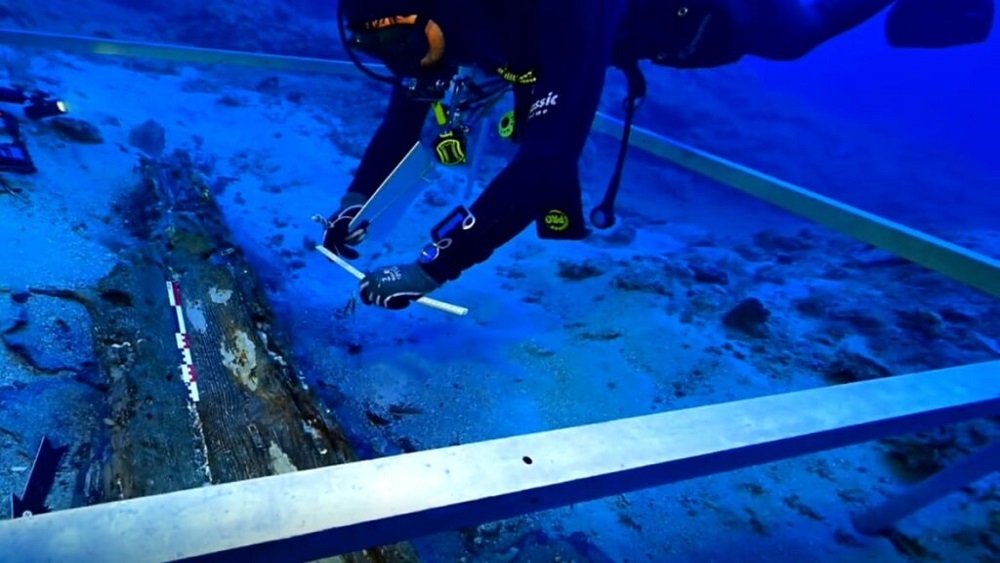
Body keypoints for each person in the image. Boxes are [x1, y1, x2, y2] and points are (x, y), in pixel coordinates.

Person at [323, 0, 993, 310]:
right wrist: (358, 201)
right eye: (377, 46)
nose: (399, 62)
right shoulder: (431, 22)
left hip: (710, 21)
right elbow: (408, 108)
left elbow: (549, 159)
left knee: (798, 34)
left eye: (402, 45)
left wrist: (432, 267)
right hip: (555, 40)